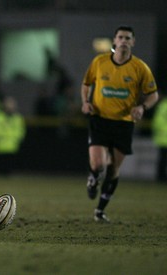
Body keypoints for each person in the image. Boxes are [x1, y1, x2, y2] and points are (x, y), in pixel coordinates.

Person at [81, 25, 159, 222]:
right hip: (100, 118)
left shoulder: (140, 68)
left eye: (127, 38)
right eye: (121, 37)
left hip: (124, 123)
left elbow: (153, 94)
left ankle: (100, 210)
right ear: (115, 41)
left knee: (114, 168)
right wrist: (86, 102)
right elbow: (86, 83)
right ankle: (92, 179)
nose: (124, 41)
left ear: (132, 42)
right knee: (98, 164)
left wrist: (142, 107)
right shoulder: (100, 61)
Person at [0, 96, 26, 175]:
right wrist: (2, 136)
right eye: (8, 105)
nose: (10, 107)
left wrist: (14, 138)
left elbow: (21, 131)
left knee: (9, 171)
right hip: (0, 146)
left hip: (12, 147)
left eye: (12, 105)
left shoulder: (17, 117)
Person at [151, 94, 167, 182]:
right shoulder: (164, 105)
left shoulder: (162, 105)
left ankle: (161, 176)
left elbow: (157, 120)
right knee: (163, 158)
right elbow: (158, 121)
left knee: (162, 158)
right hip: (164, 137)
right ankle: (161, 176)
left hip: (162, 136)